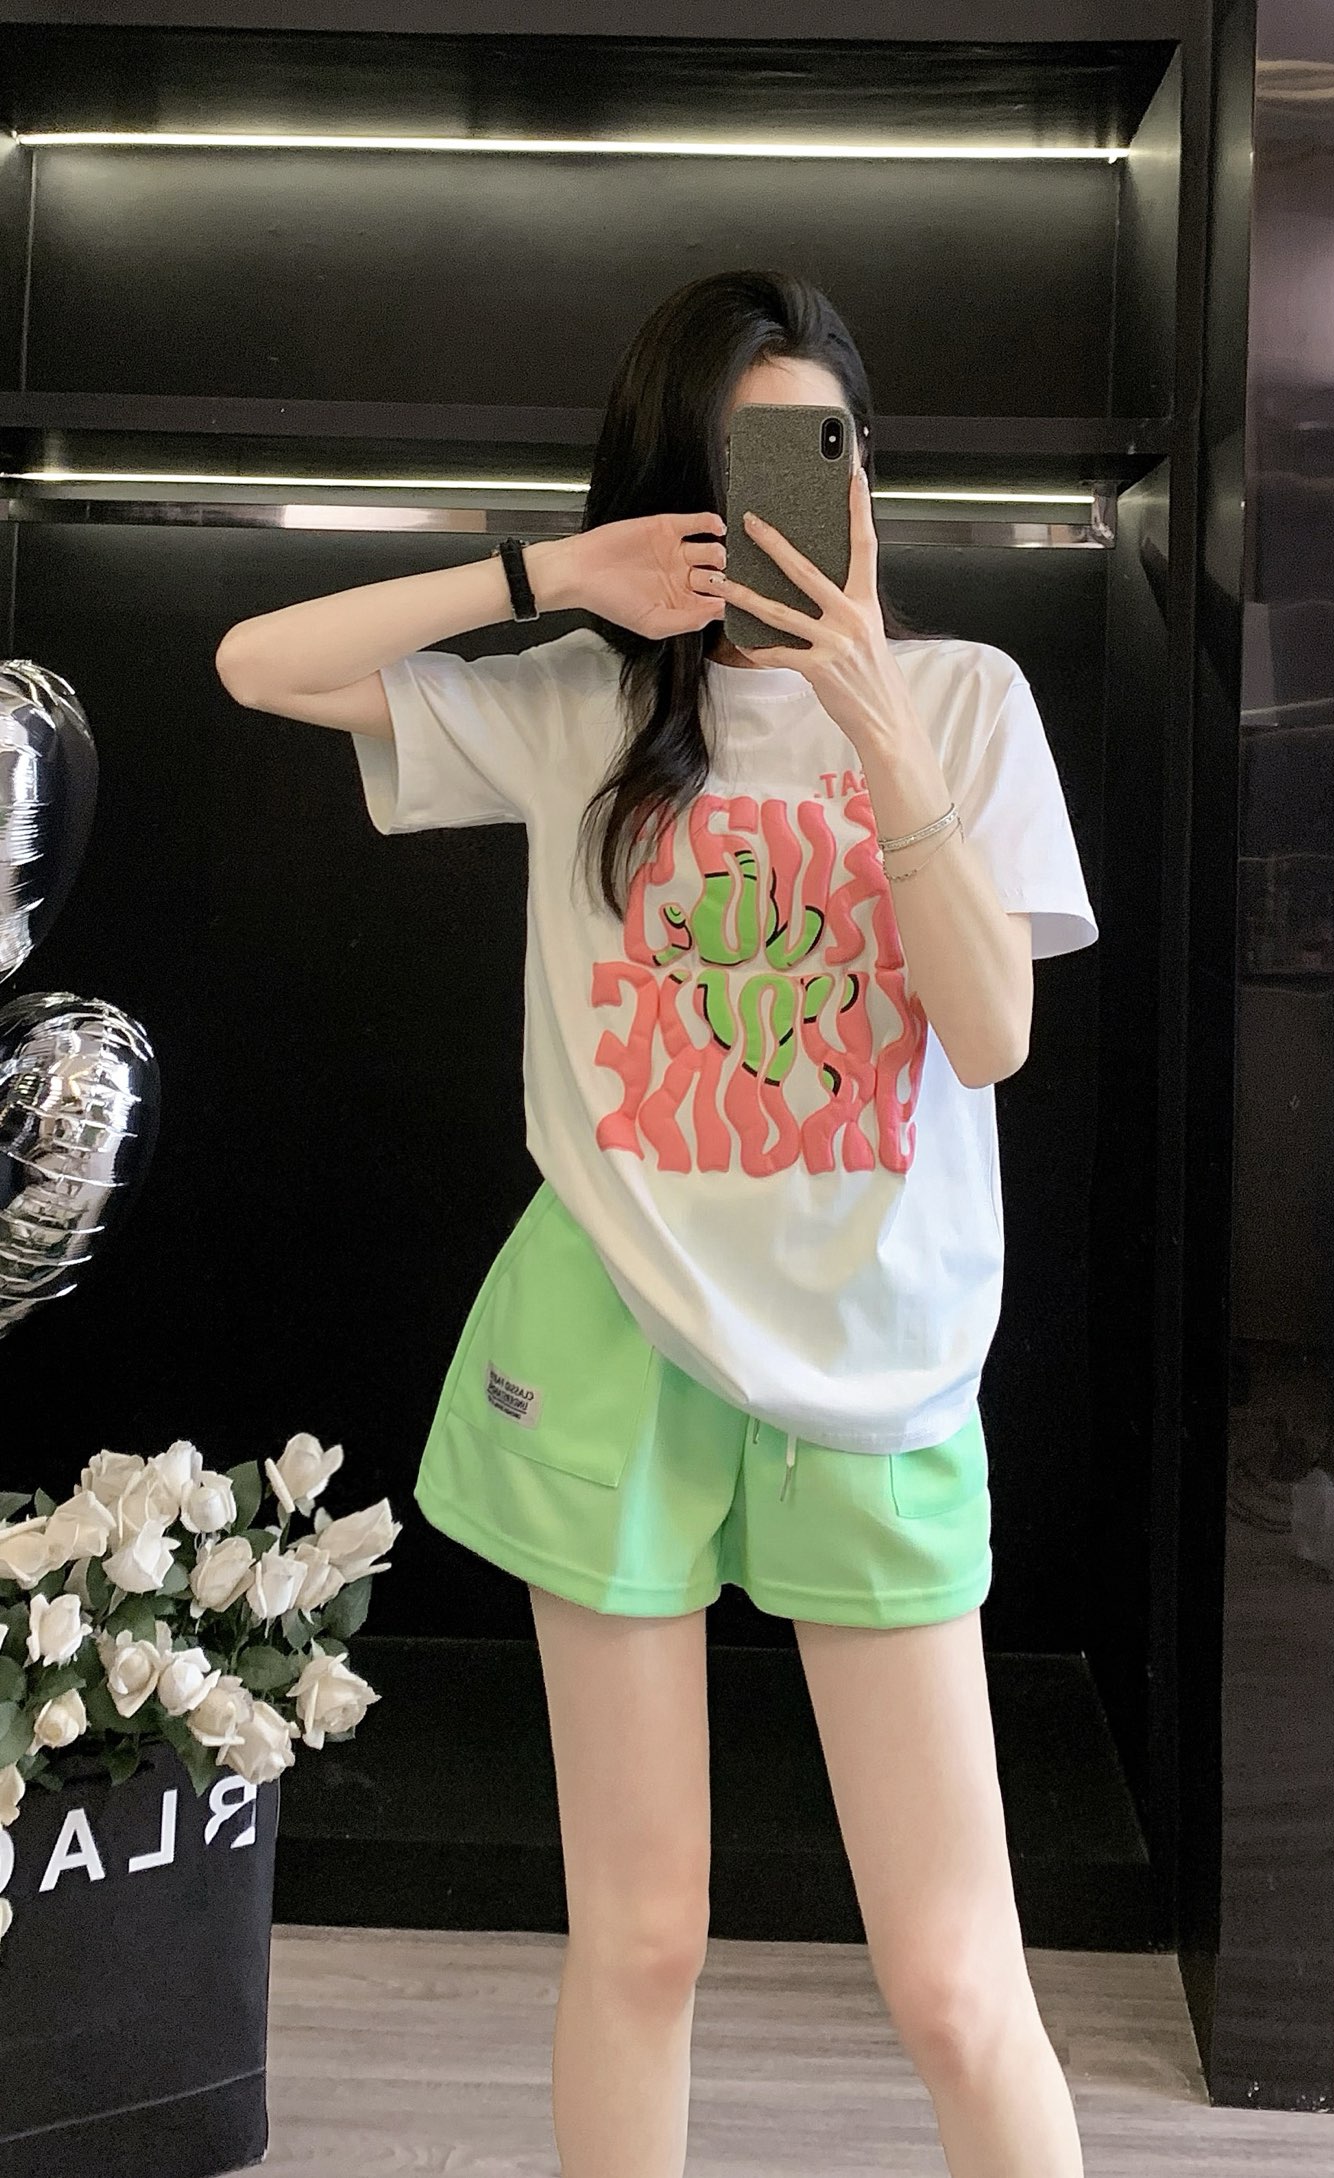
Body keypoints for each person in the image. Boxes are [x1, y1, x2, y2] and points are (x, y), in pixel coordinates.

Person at [215, 268, 1097, 2178]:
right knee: (638, 1937)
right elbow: (255, 663)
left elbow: (992, 1034)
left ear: (865, 474)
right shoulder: (590, 706)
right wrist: (556, 574)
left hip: (877, 1361)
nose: (780, 508)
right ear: (667, 488)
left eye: (816, 456)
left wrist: (875, 725)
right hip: (614, 1332)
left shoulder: (965, 701)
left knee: (957, 1982)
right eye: (729, 468)